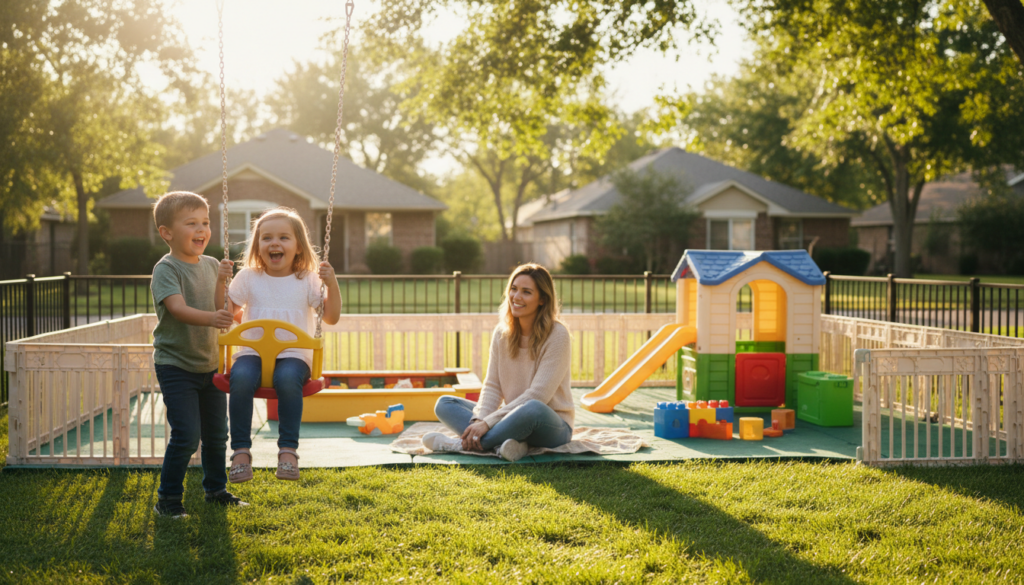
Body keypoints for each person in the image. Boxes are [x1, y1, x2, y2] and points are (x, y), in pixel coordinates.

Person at [226, 207, 341, 483]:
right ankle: (240, 450)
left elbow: (332, 317)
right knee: (239, 378)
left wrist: (332, 283)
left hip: (294, 355)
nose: (274, 243)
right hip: (252, 352)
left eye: (284, 238)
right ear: (257, 245)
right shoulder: (249, 277)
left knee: (288, 380)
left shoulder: (308, 279)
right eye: (266, 238)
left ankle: (288, 450)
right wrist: (222, 283)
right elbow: (228, 310)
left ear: (298, 247)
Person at [150, 191, 247, 518]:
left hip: (211, 364)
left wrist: (239, 310)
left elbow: (228, 308)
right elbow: (178, 309)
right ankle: (168, 500)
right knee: (187, 434)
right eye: (191, 223)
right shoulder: (166, 269)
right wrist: (214, 318)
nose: (202, 229)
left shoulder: (211, 265)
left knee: (218, 434)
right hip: (176, 364)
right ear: (167, 233)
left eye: (205, 222)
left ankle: (215, 490)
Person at [424, 263, 573, 462]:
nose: (516, 297)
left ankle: (461, 445)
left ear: (542, 300)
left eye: (526, 292)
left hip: (550, 425)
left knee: (532, 407)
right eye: (513, 289)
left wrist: (488, 423)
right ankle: (507, 446)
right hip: (511, 419)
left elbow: (538, 395)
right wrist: (479, 420)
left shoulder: (558, 335)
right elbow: (492, 386)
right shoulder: (502, 334)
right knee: (445, 403)